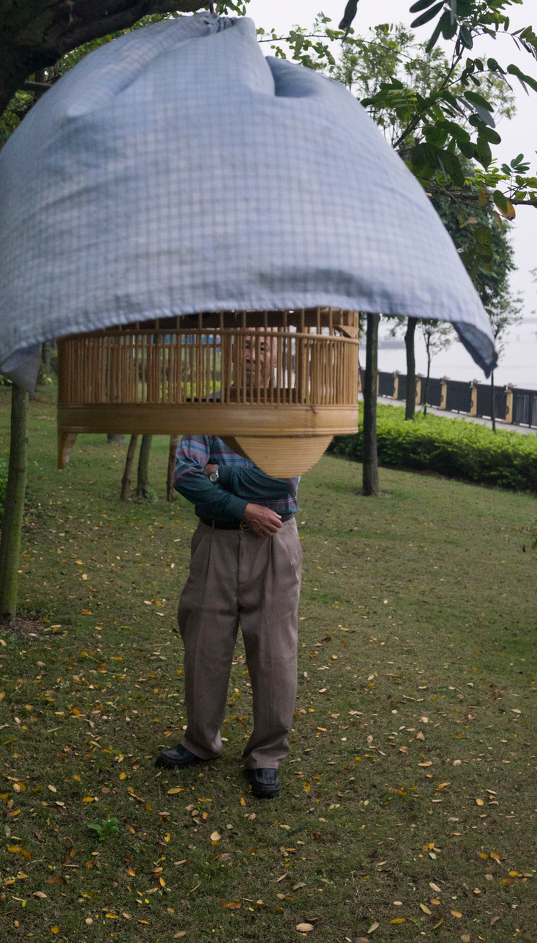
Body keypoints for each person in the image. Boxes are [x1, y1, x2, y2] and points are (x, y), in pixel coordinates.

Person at [155, 331, 302, 799]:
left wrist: (220, 473)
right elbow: (185, 477)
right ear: (228, 350)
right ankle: (200, 742)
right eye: (244, 344)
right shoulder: (204, 408)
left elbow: (280, 474)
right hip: (215, 541)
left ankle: (267, 755)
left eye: (263, 346)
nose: (253, 354)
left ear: (277, 353)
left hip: (275, 542)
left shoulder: (291, 408)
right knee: (204, 642)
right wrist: (242, 508)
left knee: (274, 652)